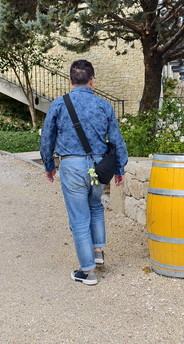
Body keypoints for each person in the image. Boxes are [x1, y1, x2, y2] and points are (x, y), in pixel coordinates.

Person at [39, 60, 128, 286]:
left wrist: (49, 165)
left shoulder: (59, 105)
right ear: (92, 81)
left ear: (70, 80)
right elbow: (116, 140)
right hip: (99, 167)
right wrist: (119, 168)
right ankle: (97, 252)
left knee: (79, 218)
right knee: (96, 206)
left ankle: (87, 272)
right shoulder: (104, 106)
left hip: (72, 167)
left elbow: (47, 138)